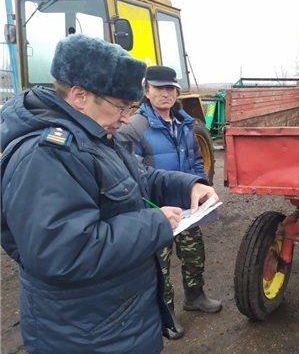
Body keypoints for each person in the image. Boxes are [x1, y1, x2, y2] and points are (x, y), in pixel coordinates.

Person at [0, 34, 219, 354]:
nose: (127, 117)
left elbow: (135, 178)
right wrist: (155, 224)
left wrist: (186, 185)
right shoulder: (45, 155)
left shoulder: (94, 134)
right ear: (79, 96)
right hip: (87, 335)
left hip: (115, 321)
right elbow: (64, 253)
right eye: (121, 106)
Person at [119, 65, 222, 339]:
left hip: (188, 208)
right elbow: (132, 174)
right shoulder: (134, 128)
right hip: (158, 212)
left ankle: (195, 296)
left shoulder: (186, 123)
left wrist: (201, 186)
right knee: (159, 267)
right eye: (158, 88)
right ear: (146, 91)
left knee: (194, 255)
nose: (165, 93)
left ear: (177, 91)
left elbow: (196, 161)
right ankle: (166, 313)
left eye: (170, 88)